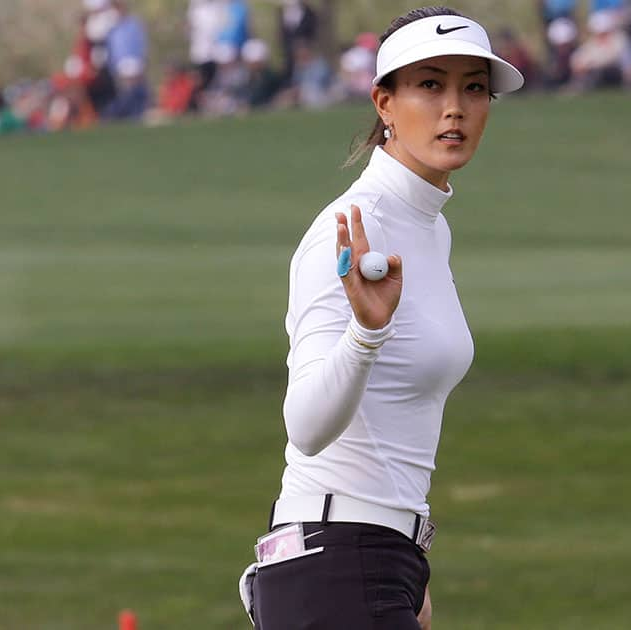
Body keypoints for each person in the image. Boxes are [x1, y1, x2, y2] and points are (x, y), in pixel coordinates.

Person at [240, 6, 524, 629]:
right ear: (384, 103)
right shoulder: (347, 231)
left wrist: (409, 567)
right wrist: (367, 333)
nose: (455, 107)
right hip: (335, 567)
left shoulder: (428, 227)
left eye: (473, 88)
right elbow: (306, 426)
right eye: (430, 84)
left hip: (377, 564)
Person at [570, 10, 631, 91]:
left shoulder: (620, 40)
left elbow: (629, 65)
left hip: (618, 77)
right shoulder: (593, 43)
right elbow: (577, 59)